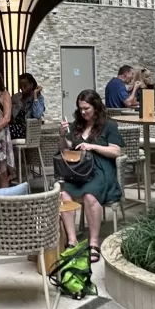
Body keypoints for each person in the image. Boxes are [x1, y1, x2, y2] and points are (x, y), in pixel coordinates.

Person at [58, 89, 123, 264]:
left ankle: (94, 242)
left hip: (101, 170)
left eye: (86, 108)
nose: (83, 112)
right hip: (79, 171)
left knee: (90, 196)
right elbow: (65, 148)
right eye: (80, 109)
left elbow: (116, 151)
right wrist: (62, 135)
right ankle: (72, 240)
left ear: (96, 106)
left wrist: (93, 147)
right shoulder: (77, 125)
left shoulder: (109, 125)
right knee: (64, 195)